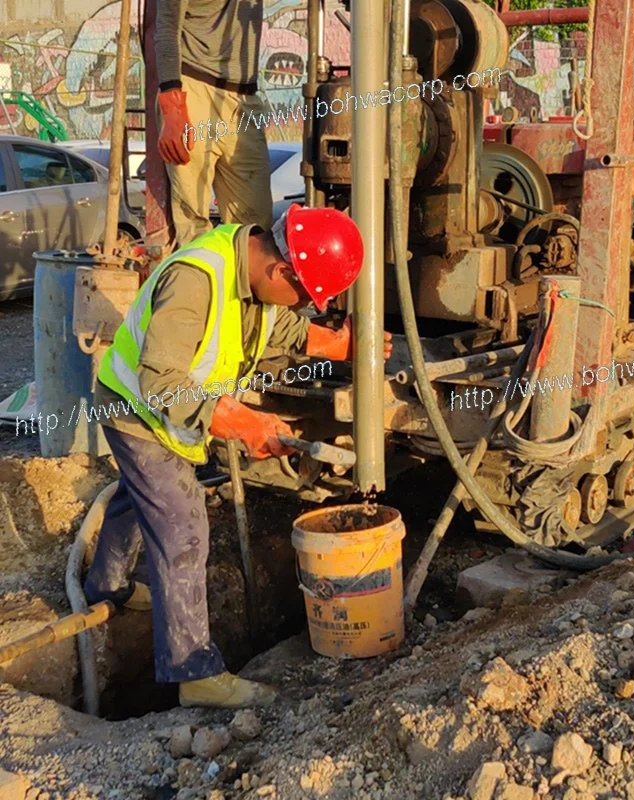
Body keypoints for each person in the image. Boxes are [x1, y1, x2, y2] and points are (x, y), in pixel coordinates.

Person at [84, 204, 392, 709]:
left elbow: (279, 331)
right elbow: (160, 383)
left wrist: (337, 345)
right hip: (135, 409)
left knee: (139, 498)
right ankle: (193, 672)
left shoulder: (252, 271)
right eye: (304, 295)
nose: (303, 307)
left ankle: (106, 588)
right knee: (182, 526)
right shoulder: (196, 280)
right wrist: (243, 423)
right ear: (281, 270)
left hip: (166, 415)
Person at [155, 0, 273, 246]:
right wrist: (171, 101)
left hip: (244, 97)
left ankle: (239, 284)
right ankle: (198, 281)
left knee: (255, 226)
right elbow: (166, 27)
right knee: (193, 220)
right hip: (194, 86)